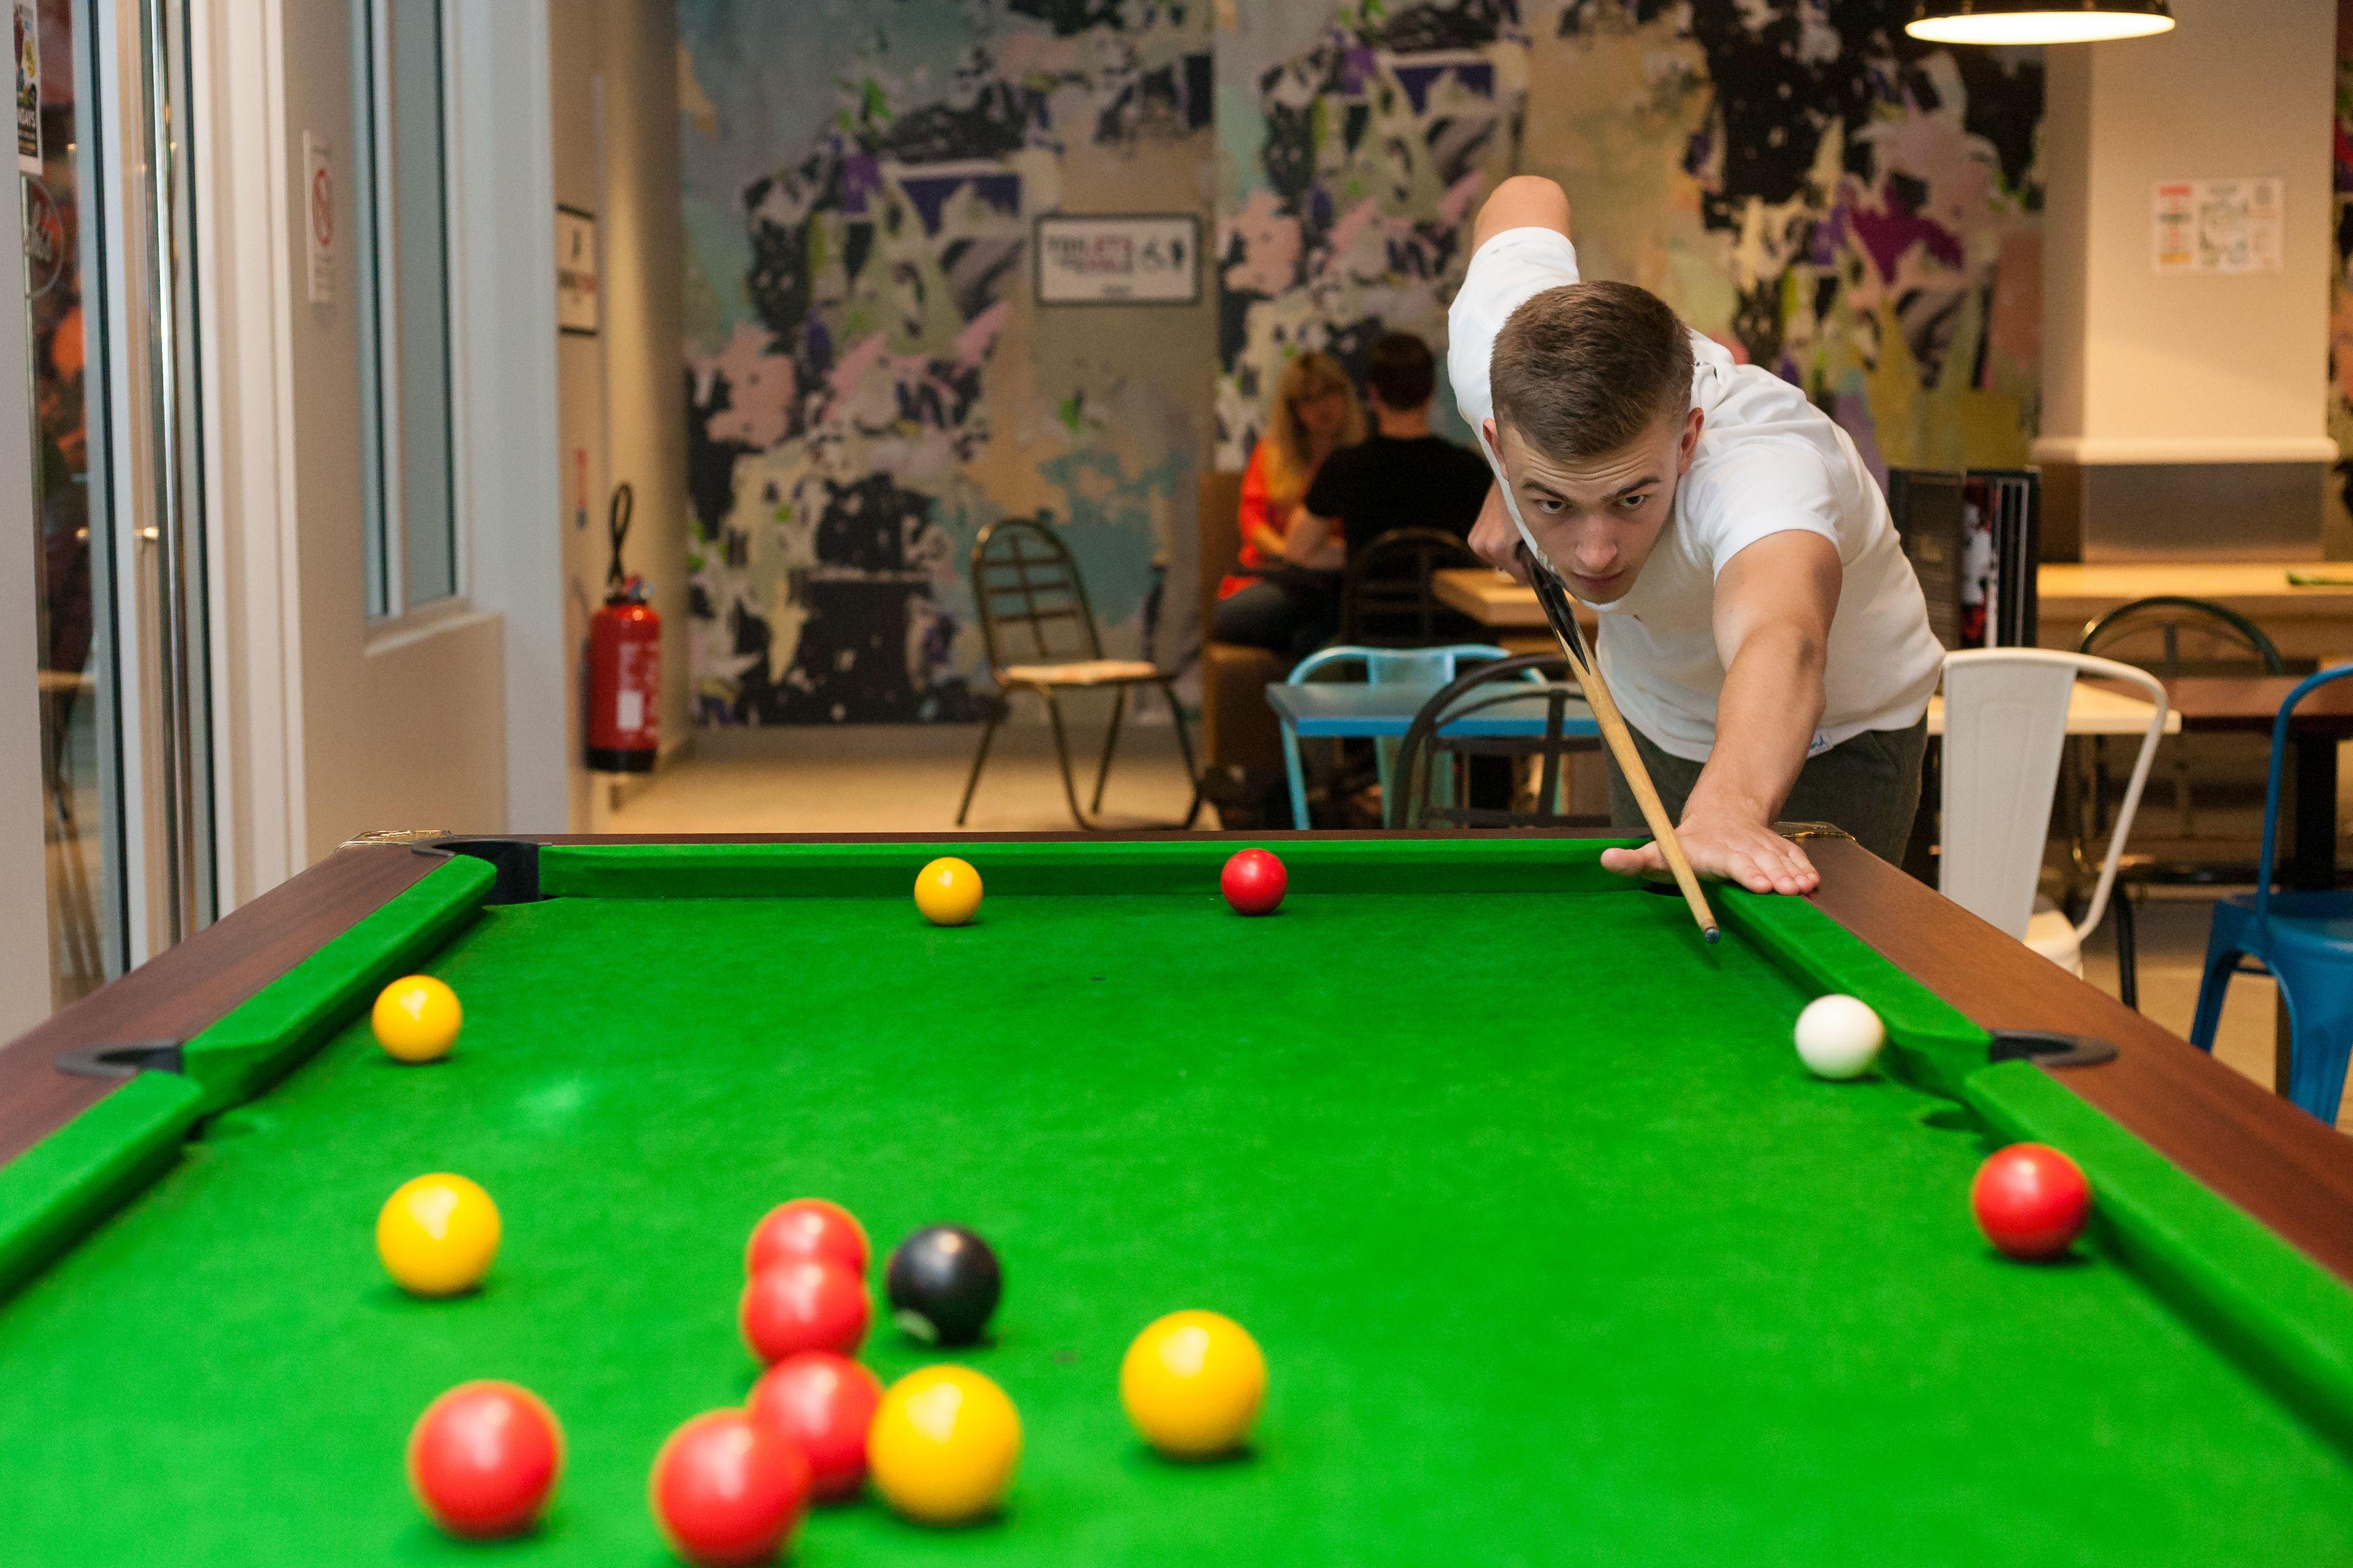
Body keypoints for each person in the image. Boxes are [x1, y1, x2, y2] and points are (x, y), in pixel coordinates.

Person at [1448, 175, 1944, 895]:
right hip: (1651, 707)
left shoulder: (1764, 468)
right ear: (1499, 435)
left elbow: (1784, 635)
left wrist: (1731, 809)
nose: (1593, 554)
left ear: (1687, 442)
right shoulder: (1494, 357)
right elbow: (1528, 192)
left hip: (1836, 736)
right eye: (1556, 502)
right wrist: (1512, 482)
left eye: (1630, 497)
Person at [1280, 333, 1493, 579]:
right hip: (1453, 615)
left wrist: (1357, 557)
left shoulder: (1345, 466)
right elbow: (1497, 553)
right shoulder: (1470, 468)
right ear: (1431, 392)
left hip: (1368, 616)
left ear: (1373, 393)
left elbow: (1297, 550)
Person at [1214, 352, 1364, 656]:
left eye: (1328, 394)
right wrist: (1292, 553)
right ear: (1294, 410)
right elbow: (1252, 522)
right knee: (1232, 617)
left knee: (1336, 612)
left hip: (1337, 582)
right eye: (1308, 400)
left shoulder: (1362, 457)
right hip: (1275, 578)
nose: (1321, 407)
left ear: (1344, 396)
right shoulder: (1272, 453)